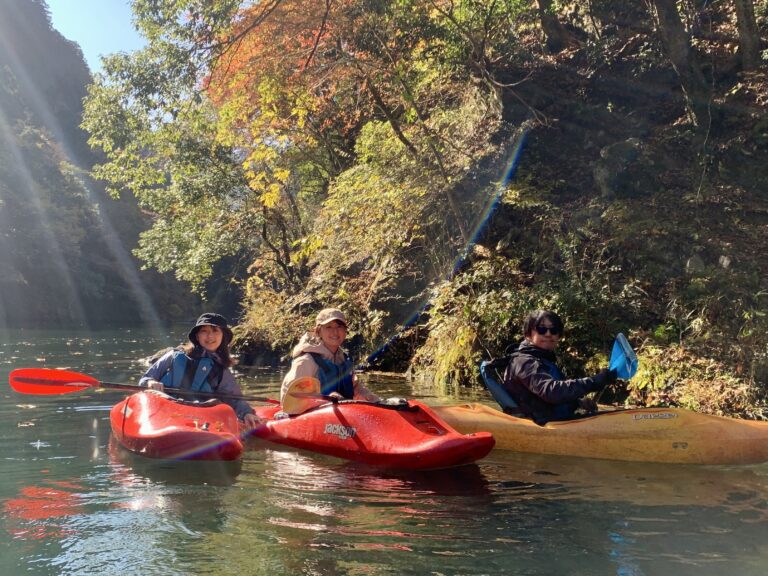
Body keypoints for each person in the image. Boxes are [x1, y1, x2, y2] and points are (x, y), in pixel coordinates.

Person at [140, 313, 260, 430]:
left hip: (197, 417)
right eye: (204, 331)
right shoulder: (173, 356)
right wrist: (150, 382)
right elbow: (145, 379)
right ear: (197, 336)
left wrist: (246, 413)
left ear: (223, 336)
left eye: (215, 331)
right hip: (164, 410)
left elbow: (234, 398)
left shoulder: (221, 370)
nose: (210, 336)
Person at [500, 309, 616, 425]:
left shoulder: (543, 360)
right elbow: (552, 392)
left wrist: (578, 403)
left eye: (554, 330)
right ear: (528, 334)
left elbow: (546, 398)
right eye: (541, 329)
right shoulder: (523, 362)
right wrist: (594, 381)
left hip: (556, 422)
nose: (548, 334)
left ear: (559, 335)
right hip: (540, 427)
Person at [280, 308, 380, 405]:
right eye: (328, 327)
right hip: (315, 416)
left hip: (341, 415)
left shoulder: (344, 360)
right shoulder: (307, 361)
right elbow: (290, 395)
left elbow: (356, 389)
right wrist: (324, 399)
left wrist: (377, 401)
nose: (335, 332)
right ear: (318, 331)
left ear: (345, 331)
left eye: (339, 327)